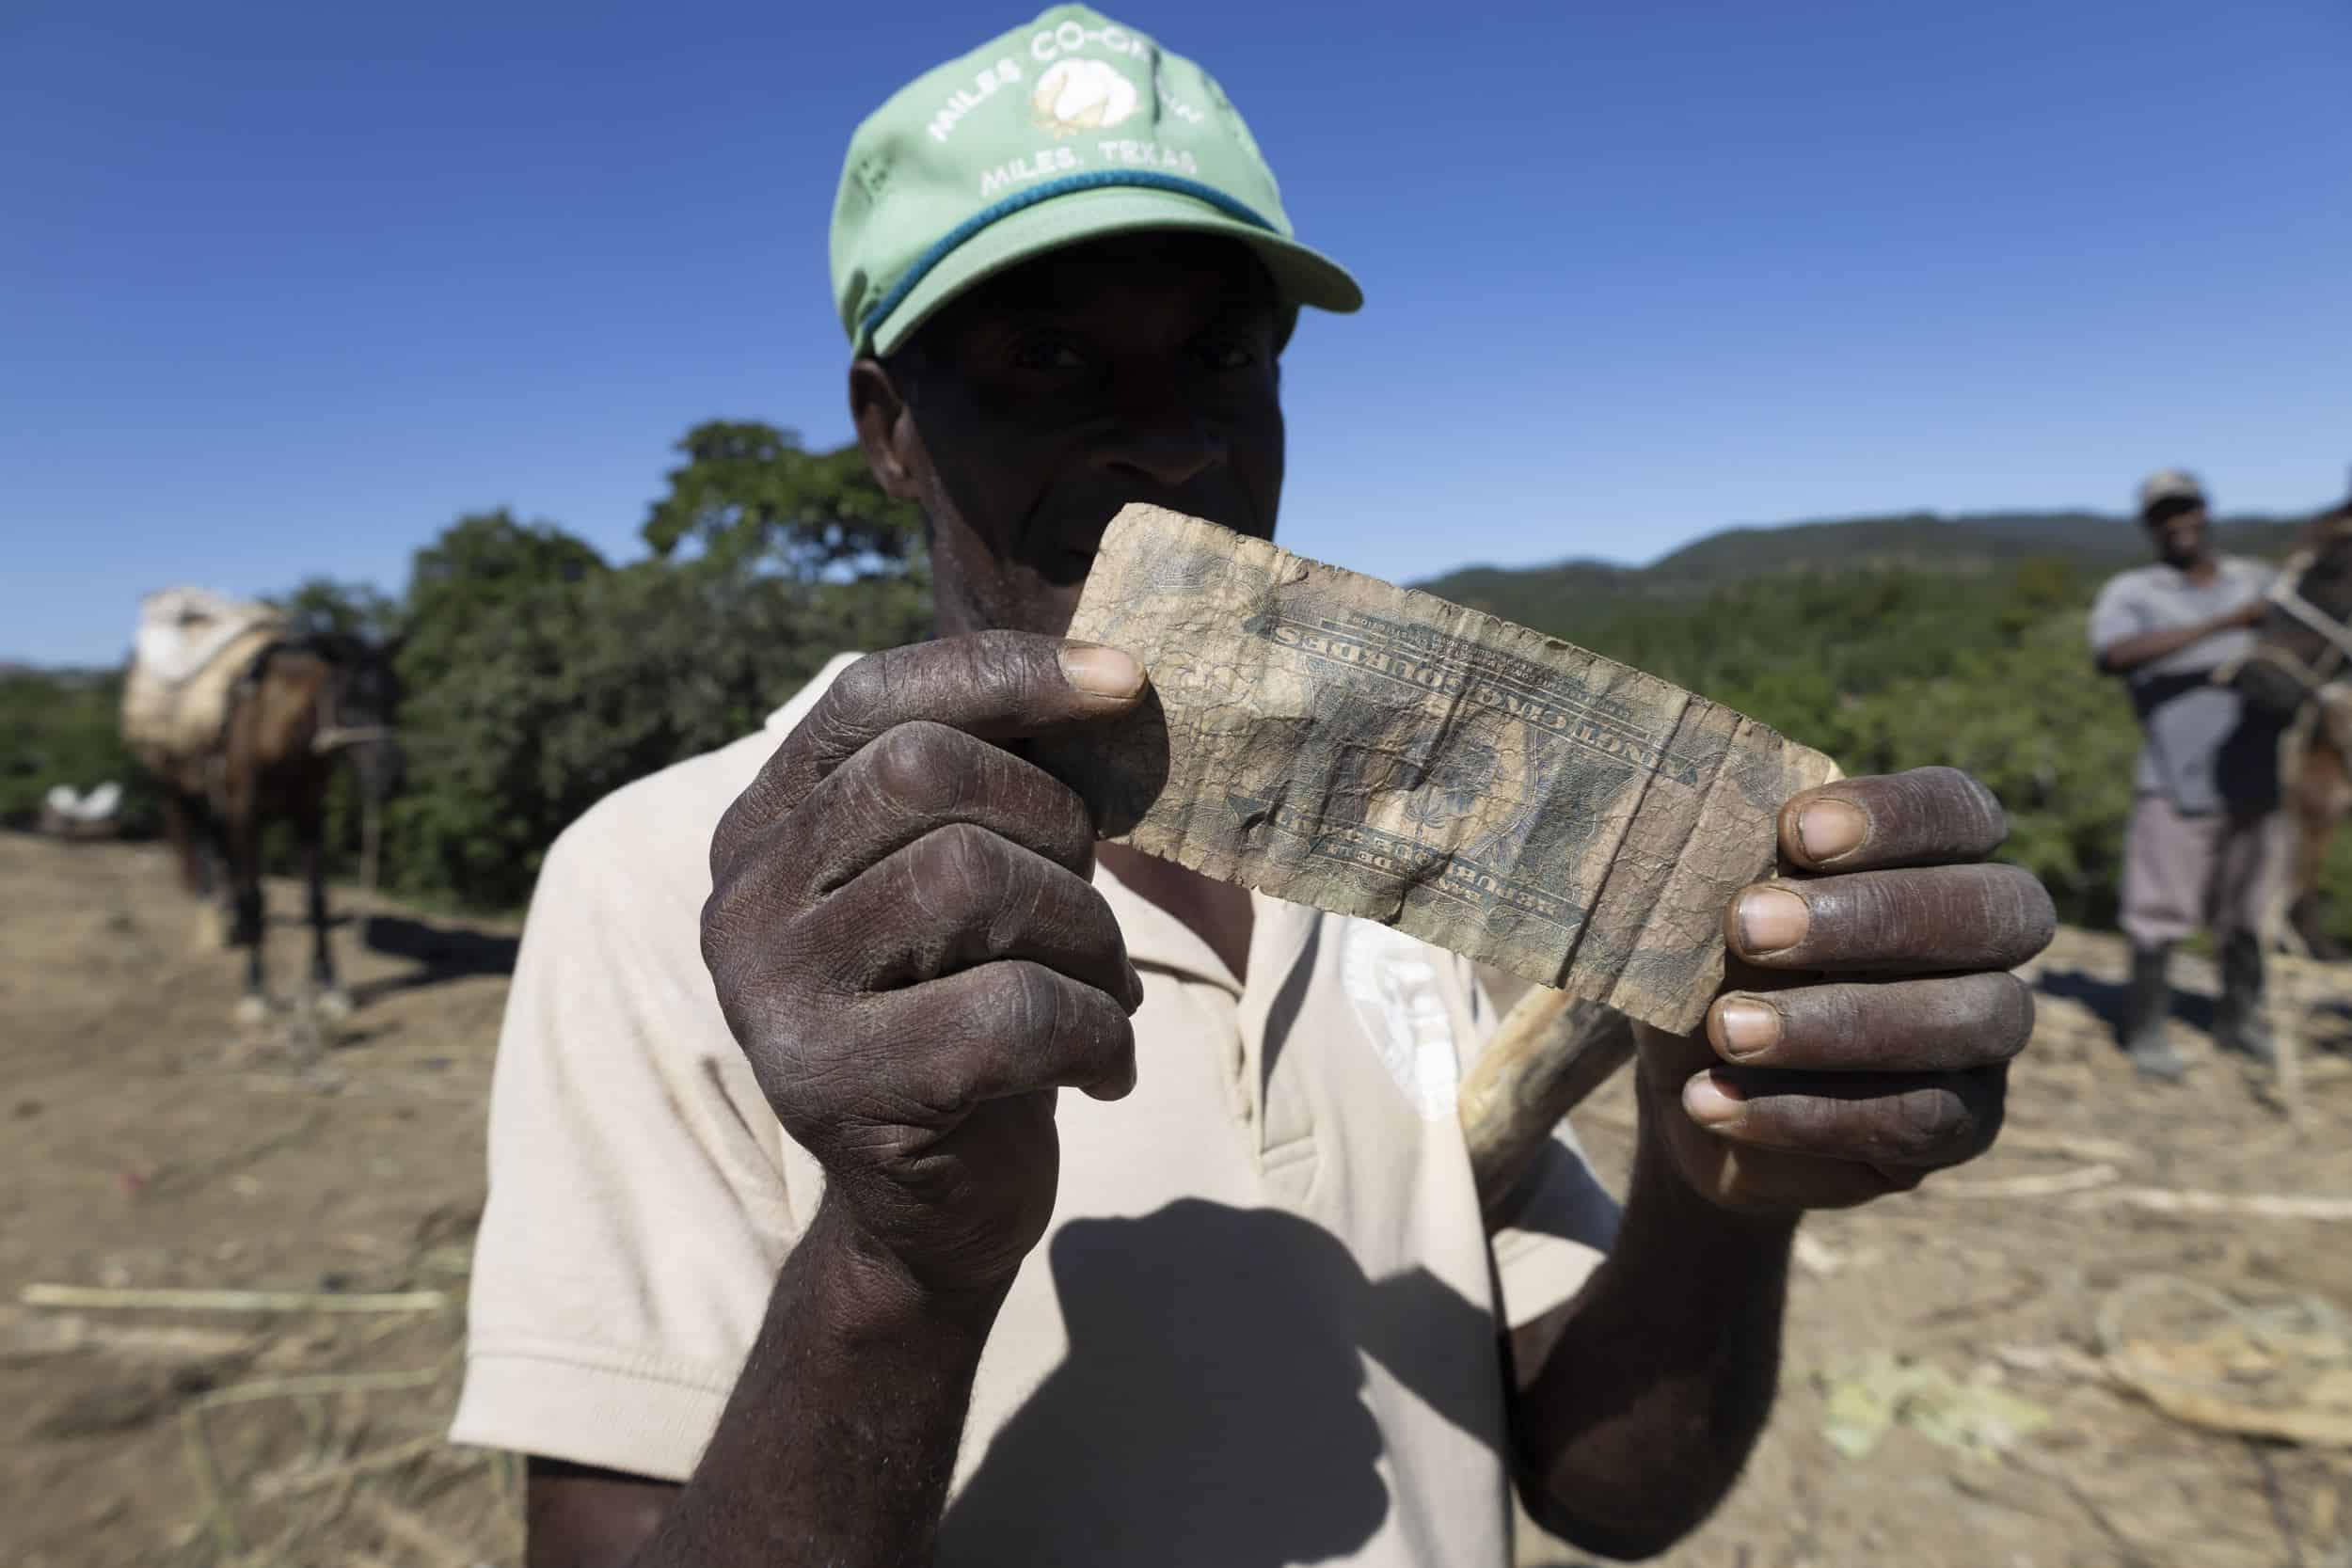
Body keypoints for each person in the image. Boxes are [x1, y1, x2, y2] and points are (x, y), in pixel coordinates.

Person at [450, 11, 2054, 1564]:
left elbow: (1600, 1486)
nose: (1167, 443)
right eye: (1051, 355)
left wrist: (1717, 1187)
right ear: (889, 429)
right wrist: (897, 1257)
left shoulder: (1404, 842)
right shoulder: (667, 876)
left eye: (1219, 351)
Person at [2090, 468, 2285, 1080]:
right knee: (2158, 912)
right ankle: (2146, 1029)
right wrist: (2225, 626)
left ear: (2204, 511)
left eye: (2186, 509)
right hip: (2175, 779)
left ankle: (2239, 1018)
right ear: (2151, 525)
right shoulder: (2134, 591)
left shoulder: (2256, 579)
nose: (2178, 522)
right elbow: (2112, 655)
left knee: (2250, 912)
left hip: (2259, 780)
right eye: (2163, 514)